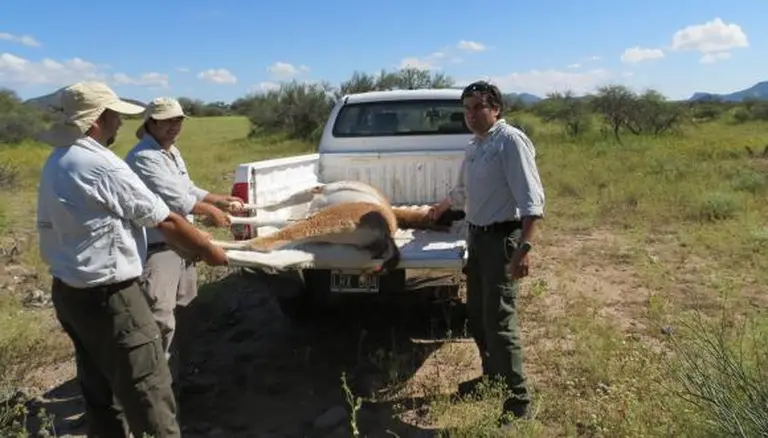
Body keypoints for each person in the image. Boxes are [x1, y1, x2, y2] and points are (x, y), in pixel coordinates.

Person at [30, 81, 229, 438]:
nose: (119, 125)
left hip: (71, 292)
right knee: (148, 389)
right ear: (95, 121)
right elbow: (165, 217)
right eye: (113, 117)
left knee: (100, 388)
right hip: (111, 295)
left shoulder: (59, 158)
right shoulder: (100, 163)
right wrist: (209, 250)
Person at [427, 80, 546, 425]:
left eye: (478, 107)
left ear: (496, 109)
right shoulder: (475, 145)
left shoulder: (510, 142)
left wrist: (523, 249)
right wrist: (443, 205)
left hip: (502, 240)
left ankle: (519, 400)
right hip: (477, 239)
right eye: (466, 109)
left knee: (499, 319)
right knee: (478, 315)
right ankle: (491, 377)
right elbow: (463, 191)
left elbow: (532, 202)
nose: (471, 115)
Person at [123, 97, 243, 394]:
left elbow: (188, 188)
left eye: (177, 121)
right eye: (165, 121)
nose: (173, 127)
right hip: (159, 247)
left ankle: (183, 377)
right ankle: (159, 389)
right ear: (150, 123)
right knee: (161, 317)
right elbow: (176, 201)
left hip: (181, 244)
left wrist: (218, 199)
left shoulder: (171, 152)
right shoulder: (144, 158)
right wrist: (214, 213)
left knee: (185, 309)